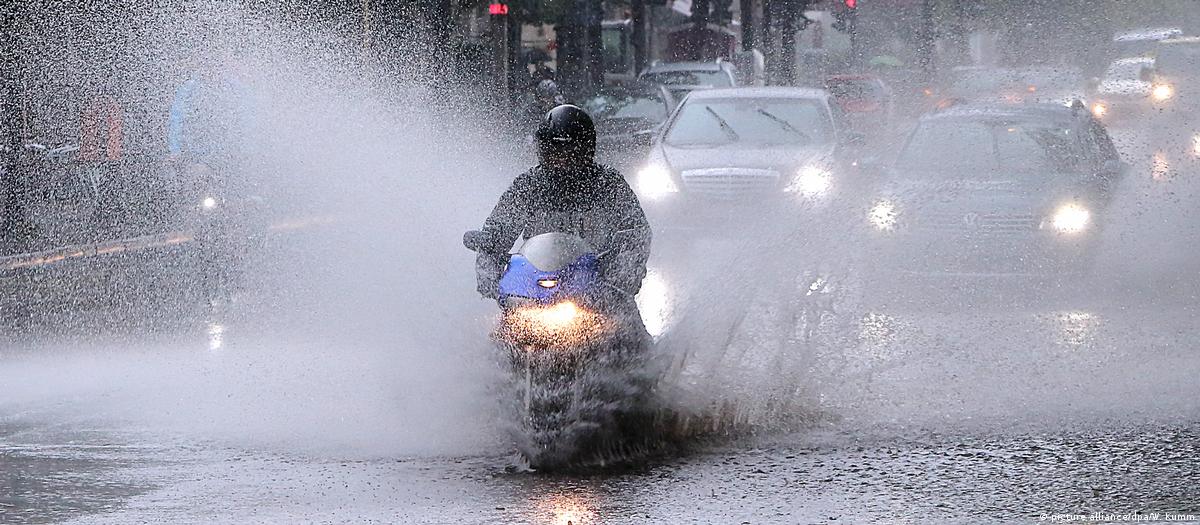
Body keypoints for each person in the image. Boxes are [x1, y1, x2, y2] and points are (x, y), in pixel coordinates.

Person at [474, 105, 652, 335]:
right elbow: (496, 231)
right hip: (535, 289)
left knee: (631, 336)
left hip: (598, 288)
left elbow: (635, 231)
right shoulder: (528, 185)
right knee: (501, 337)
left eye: (569, 152)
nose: (560, 159)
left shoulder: (608, 184)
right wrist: (489, 269)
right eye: (553, 151)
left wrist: (622, 277)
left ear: (586, 150)